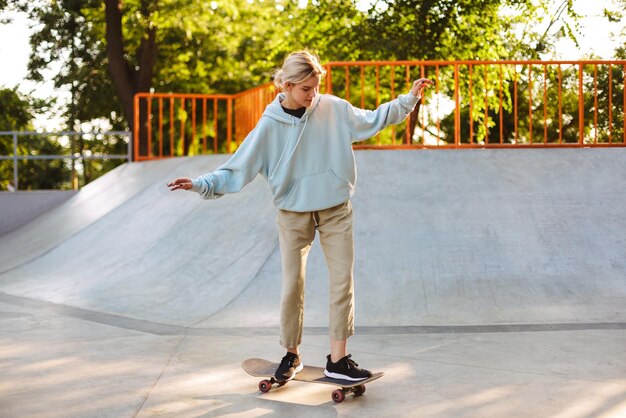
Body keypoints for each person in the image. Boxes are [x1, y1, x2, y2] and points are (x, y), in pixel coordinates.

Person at [168, 50, 432, 382]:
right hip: (293, 213)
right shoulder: (268, 126)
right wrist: (199, 184)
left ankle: (338, 360)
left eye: (316, 87)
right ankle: (291, 354)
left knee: (342, 283)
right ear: (288, 86)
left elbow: (373, 119)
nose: (313, 95)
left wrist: (407, 100)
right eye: (306, 89)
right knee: (292, 285)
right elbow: (237, 168)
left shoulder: (333, 108)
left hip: (335, 208)